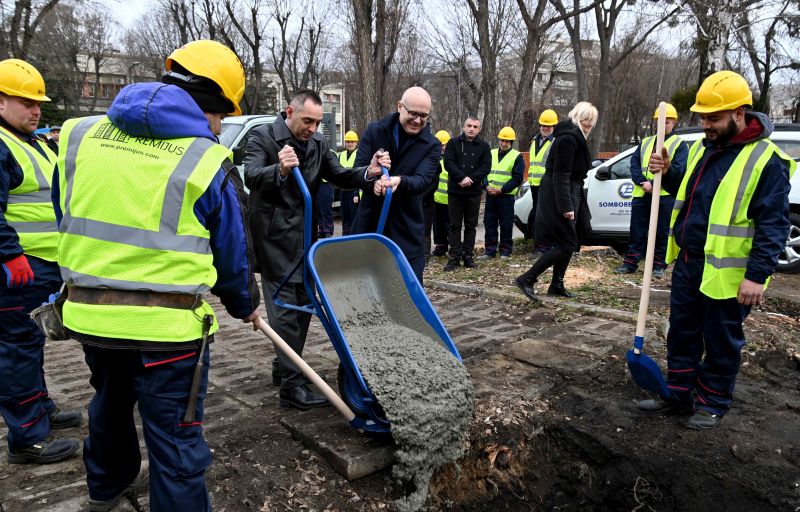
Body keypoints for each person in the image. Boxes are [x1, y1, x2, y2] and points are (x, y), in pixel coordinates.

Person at [53, 40, 262, 510]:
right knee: (174, 438)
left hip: (90, 318)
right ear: (215, 107)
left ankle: (106, 489)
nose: (220, 128)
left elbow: (64, 215)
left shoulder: (78, 135)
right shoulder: (207, 162)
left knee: (107, 409)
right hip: (168, 336)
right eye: (224, 117)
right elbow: (233, 257)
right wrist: (243, 304)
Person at [636, 70, 795, 429]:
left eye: (714, 118)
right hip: (690, 264)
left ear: (740, 114)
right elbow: (693, 192)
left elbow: (774, 224)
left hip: (729, 274)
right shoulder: (702, 149)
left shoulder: (765, 160)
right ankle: (678, 394)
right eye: (703, 117)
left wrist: (757, 276)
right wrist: (667, 171)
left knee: (721, 340)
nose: (706, 124)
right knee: (682, 332)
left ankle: (712, 402)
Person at [245, 90, 389, 409]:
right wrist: (279, 170)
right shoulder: (264, 137)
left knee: (305, 302)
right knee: (285, 309)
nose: (312, 128)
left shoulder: (318, 143)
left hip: (306, 238)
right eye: (307, 121)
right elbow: (252, 176)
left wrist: (369, 172)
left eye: (317, 122)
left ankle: (285, 367)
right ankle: (291, 388)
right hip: (275, 240)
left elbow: (338, 174)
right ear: (289, 112)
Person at [0, 58, 81, 466]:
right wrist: (9, 254)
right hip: (17, 270)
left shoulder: (30, 143)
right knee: (16, 350)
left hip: (41, 266)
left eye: (38, 103)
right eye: (25, 102)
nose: (36, 110)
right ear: (0, 103)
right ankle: (26, 438)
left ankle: (40, 410)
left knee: (30, 345)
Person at [351, 86, 439, 281]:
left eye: (423, 116)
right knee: (365, 285)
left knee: (407, 289)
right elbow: (359, 169)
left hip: (406, 230)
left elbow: (423, 180)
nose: (417, 121)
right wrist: (372, 182)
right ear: (400, 106)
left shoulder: (431, 145)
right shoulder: (376, 131)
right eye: (413, 113)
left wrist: (400, 181)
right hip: (370, 224)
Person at [515, 101, 598, 302]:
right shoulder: (568, 139)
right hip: (558, 194)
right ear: (578, 118)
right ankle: (527, 279)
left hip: (569, 191)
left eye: (591, 122)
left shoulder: (571, 137)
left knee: (571, 240)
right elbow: (561, 175)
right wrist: (566, 207)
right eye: (586, 120)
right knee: (566, 242)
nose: (589, 125)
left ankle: (557, 284)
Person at [615, 103, 688, 278]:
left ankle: (658, 265)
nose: (663, 125)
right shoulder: (646, 142)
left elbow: (677, 171)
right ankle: (631, 262)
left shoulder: (680, 145)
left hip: (665, 196)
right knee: (637, 230)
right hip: (642, 194)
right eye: (660, 122)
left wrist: (655, 186)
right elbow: (634, 165)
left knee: (662, 232)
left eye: (667, 122)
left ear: (674, 123)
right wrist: (642, 183)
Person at [443, 116, 491, 271]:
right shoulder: (453, 143)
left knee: (471, 225)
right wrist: (461, 178)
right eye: (469, 126)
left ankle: (468, 256)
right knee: (454, 224)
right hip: (456, 190)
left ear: (479, 129)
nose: (471, 129)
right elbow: (448, 162)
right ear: (463, 127)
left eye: (475, 127)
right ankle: (454, 257)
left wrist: (471, 178)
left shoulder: (484, 146)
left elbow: (486, 166)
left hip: (473, 191)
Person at [479, 126, 524, 260]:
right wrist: (485, 186)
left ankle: (505, 251)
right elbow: (483, 172)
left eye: (507, 141)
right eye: (502, 140)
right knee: (489, 223)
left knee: (506, 224)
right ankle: (490, 251)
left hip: (506, 196)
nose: (504, 143)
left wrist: (502, 189)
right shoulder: (491, 153)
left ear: (511, 142)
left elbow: (517, 178)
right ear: (499, 140)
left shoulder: (516, 156)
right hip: (491, 195)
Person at [528, 109, 557, 255]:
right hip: (534, 185)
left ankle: (543, 247)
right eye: (543, 125)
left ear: (554, 127)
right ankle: (539, 244)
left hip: (547, 186)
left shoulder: (555, 142)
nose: (545, 128)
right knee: (537, 216)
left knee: (545, 216)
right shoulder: (535, 140)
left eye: (549, 126)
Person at [431, 130, 451, 257]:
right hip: (436, 199)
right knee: (438, 226)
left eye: (445, 144)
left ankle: (453, 247)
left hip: (450, 200)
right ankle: (440, 247)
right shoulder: (434, 159)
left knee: (450, 226)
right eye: (441, 145)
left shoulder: (452, 159)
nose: (443, 147)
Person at [339, 130, 360, 235]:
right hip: (343, 190)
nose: (350, 144)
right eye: (348, 141)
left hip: (353, 191)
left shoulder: (359, 154)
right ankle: (345, 236)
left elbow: (359, 176)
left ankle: (353, 236)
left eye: (352, 142)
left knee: (353, 216)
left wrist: (357, 193)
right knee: (345, 215)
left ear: (356, 143)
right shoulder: (341, 155)